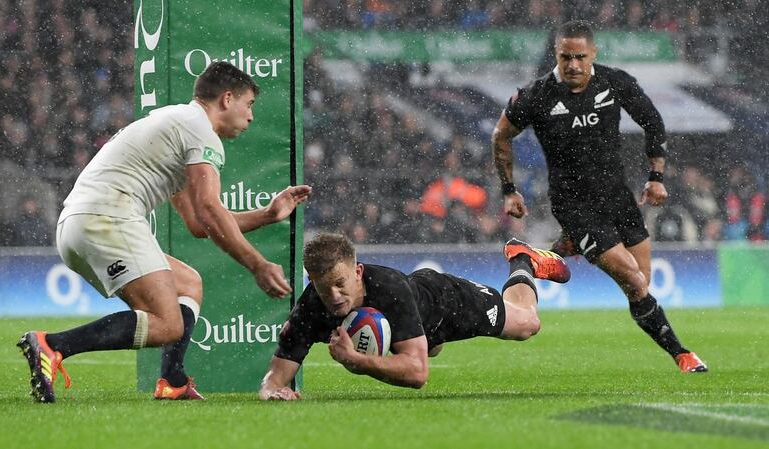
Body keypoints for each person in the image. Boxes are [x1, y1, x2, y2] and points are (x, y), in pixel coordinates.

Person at [17, 61, 312, 403]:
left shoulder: (175, 123)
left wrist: (268, 214)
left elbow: (199, 224)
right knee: (167, 324)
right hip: (107, 217)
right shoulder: (200, 131)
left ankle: (172, 380)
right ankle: (54, 345)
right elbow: (210, 211)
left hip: (80, 224)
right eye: (249, 105)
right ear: (227, 99)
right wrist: (257, 264)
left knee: (187, 283)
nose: (251, 117)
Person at [491, 20, 706, 373]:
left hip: (618, 197)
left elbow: (653, 122)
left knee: (641, 285)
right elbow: (501, 135)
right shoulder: (538, 95)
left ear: (593, 53)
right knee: (633, 279)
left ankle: (543, 255)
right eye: (565, 57)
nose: (573, 65)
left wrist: (656, 177)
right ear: (556, 55)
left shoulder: (614, 82)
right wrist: (508, 189)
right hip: (574, 204)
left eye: (579, 57)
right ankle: (682, 354)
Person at [258, 233, 570, 400]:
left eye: (341, 284)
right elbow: (276, 376)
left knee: (528, 325)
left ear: (358, 272)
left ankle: (522, 261)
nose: (335, 296)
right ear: (312, 282)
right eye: (325, 289)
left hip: (442, 305)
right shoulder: (311, 308)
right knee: (427, 349)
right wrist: (272, 392)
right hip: (411, 332)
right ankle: (425, 342)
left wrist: (356, 360)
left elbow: (418, 375)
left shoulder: (389, 289)